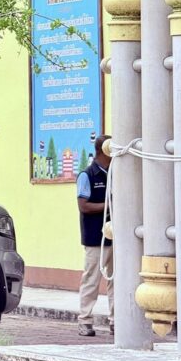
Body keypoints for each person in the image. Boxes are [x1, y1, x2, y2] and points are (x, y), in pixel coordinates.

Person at [76, 134, 114, 337]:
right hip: (95, 237)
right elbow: (84, 206)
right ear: (104, 150)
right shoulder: (87, 175)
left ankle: (116, 320)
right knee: (91, 279)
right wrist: (110, 205)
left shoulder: (117, 171)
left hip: (116, 236)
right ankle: (85, 320)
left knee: (117, 280)